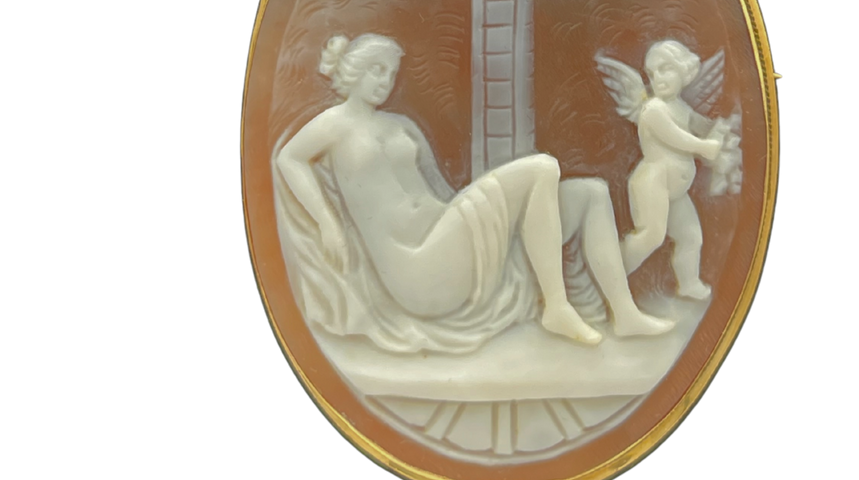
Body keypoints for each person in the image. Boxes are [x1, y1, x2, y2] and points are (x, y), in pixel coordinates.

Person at [275, 33, 674, 355]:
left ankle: (624, 313)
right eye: (376, 70)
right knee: (541, 168)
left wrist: (509, 217)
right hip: (418, 270)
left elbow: (446, 193)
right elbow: (288, 159)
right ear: (352, 70)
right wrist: (327, 223)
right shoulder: (334, 124)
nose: (385, 81)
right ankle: (556, 307)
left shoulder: (402, 125)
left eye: (391, 73)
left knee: (591, 193)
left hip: (450, 245)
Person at [618, 41, 730, 300]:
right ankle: (611, 276)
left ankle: (688, 283)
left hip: (675, 192)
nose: (658, 78)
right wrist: (704, 147)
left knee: (691, 236)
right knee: (651, 236)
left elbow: (701, 125)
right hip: (652, 183)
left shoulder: (680, 107)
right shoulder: (653, 109)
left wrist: (720, 130)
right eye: (652, 73)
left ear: (684, 71)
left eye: (665, 69)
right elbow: (676, 138)